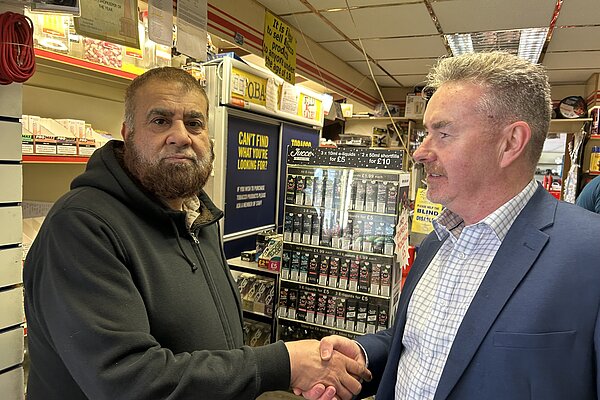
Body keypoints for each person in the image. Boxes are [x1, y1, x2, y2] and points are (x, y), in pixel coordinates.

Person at [23, 67, 370, 400]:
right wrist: (283, 365)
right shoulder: (82, 226)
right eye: (160, 121)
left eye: (194, 123)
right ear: (127, 134)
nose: (181, 136)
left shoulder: (196, 217)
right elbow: (129, 382)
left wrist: (293, 371)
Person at [307, 51, 600, 400]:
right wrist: (366, 355)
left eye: (443, 133)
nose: (420, 152)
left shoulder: (590, 253)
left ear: (510, 143)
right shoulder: (437, 241)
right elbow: (429, 343)